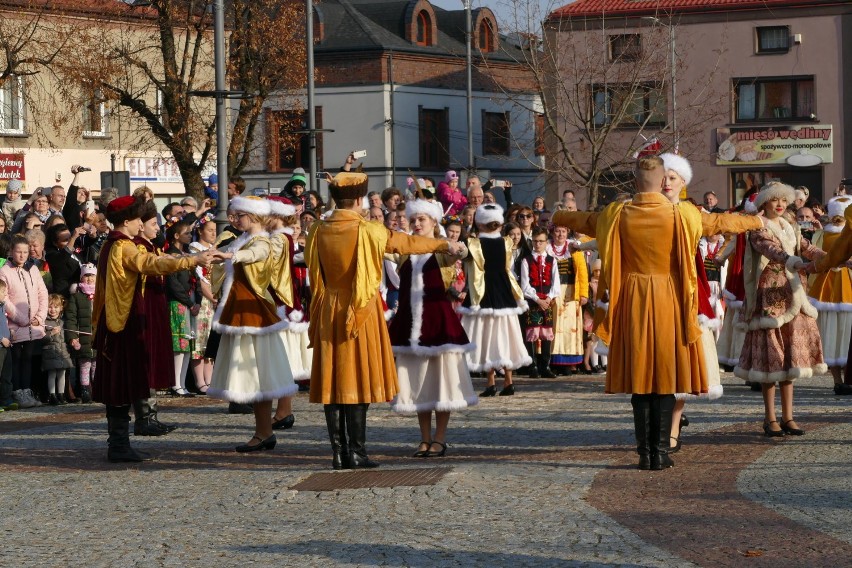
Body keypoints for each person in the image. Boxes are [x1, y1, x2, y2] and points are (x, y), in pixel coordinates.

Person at [551, 155, 762, 470]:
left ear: (635, 180)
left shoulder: (615, 213)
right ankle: (661, 452)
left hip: (633, 298)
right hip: (671, 298)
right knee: (666, 374)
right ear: (662, 178)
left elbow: (583, 220)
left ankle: (644, 452)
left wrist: (558, 214)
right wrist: (756, 220)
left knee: (640, 377)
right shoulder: (684, 213)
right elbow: (720, 223)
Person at [306, 172, 465, 470]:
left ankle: (339, 452)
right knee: (357, 378)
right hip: (360, 308)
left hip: (328, 307)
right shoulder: (368, 229)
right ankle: (357, 451)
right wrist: (442, 245)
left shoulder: (317, 229)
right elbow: (404, 243)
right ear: (357, 200)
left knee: (333, 379)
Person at [92, 196, 217, 462]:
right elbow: (150, 264)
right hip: (122, 322)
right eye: (139, 219)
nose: (143, 223)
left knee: (125, 380)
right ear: (127, 221)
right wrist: (191, 260)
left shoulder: (117, 244)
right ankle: (118, 446)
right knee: (120, 382)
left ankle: (121, 442)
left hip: (121, 320)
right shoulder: (122, 246)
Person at [735, 182, 826, 437]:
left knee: (790, 359)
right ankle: (770, 418)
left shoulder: (790, 225)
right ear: (765, 201)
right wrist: (790, 260)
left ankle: (788, 417)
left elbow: (807, 248)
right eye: (774, 200)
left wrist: (834, 258)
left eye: (783, 200)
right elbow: (770, 249)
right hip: (770, 297)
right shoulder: (758, 226)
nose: (780, 204)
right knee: (771, 360)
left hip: (794, 293)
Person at [207, 196, 297, 452]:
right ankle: (263, 431)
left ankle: (264, 431)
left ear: (253, 216)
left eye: (238, 215)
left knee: (260, 373)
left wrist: (228, 254)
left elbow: (256, 254)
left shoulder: (264, 241)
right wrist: (217, 257)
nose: (234, 220)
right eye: (233, 216)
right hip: (241, 314)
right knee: (256, 375)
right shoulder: (241, 239)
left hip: (254, 315)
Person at [388, 199, 476, 458]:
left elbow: (461, 254)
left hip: (438, 325)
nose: (416, 224)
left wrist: (456, 247)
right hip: (409, 324)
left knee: (441, 383)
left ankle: (440, 437)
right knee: (417, 383)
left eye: (422, 220)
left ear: (434, 222)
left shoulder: (441, 249)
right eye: (414, 220)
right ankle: (424, 438)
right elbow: (382, 249)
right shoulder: (404, 249)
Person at [458, 204, 531, 397]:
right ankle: (508, 381)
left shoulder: (472, 244)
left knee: (485, 338)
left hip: (482, 295)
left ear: (479, 223)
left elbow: (461, 256)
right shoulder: (506, 242)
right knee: (504, 337)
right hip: (504, 293)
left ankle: (490, 382)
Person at [2, 234, 49, 409]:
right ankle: (17, 391)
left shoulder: (33, 269)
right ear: (11, 252)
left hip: (34, 325)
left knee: (29, 358)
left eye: (25, 252)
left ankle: (27, 390)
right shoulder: (5, 271)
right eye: (18, 252)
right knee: (16, 358)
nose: (22, 255)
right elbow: (4, 298)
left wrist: (40, 317)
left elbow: (42, 293)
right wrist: (21, 318)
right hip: (16, 325)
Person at [519, 227, 561, 378]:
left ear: (546, 242)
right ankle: (533, 366)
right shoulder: (526, 260)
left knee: (546, 333)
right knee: (532, 333)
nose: (538, 244)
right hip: (532, 301)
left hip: (547, 301)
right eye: (535, 241)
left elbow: (555, 283)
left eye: (541, 241)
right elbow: (525, 286)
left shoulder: (552, 260)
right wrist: (537, 299)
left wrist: (548, 298)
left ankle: (545, 365)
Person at [549, 225, 589, 374]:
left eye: (563, 231)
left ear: (567, 233)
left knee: (571, 327)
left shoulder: (574, 248)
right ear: (552, 232)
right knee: (555, 324)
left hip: (572, 290)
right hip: (555, 291)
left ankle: (570, 362)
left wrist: (584, 294)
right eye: (557, 231)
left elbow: (583, 272)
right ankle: (553, 360)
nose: (560, 234)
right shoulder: (547, 248)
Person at [164, 220, 198, 398]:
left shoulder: (187, 255)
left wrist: (196, 300)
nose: (189, 236)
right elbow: (173, 284)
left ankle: (182, 384)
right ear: (176, 236)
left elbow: (196, 279)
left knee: (187, 345)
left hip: (189, 302)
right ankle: (175, 383)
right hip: (177, 303)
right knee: (179, 344)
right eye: (186, 233)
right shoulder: (171, 255)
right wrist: (190, 302)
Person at [188, 214, 217, 394]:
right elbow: (200, 278)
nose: (213, 234)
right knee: (200, 337)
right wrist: (212, 297)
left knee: (211, 340)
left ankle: (211, 379)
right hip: (204, 298)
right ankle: (199, 380)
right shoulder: (195, 249)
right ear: (200, 231)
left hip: (215, 297)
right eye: (210, 230)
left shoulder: (216, 249)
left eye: (215, 230)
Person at [65, 265, 96, 403]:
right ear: (81, 278)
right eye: (86, 275)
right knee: (84, 364)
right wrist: (72, 336)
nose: (89, 279)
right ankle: (85, 389)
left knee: (97, 364)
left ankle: (97, 389)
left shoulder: (101, 293)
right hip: (83, 337)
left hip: (97, 336)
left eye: (92, 276)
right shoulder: (76, 296)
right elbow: (71, 318)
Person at [42, 294, 74, 405]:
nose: (53, 310)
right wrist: (51, 333)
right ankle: (52, 395)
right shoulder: (44, 321)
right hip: (50, 351)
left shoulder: (62, 322)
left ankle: (61, 394)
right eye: (50, 307)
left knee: (62, 373)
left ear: (61, 308)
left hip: (62, 351)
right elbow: (42, 337)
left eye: (56, 307)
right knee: (52, 373)